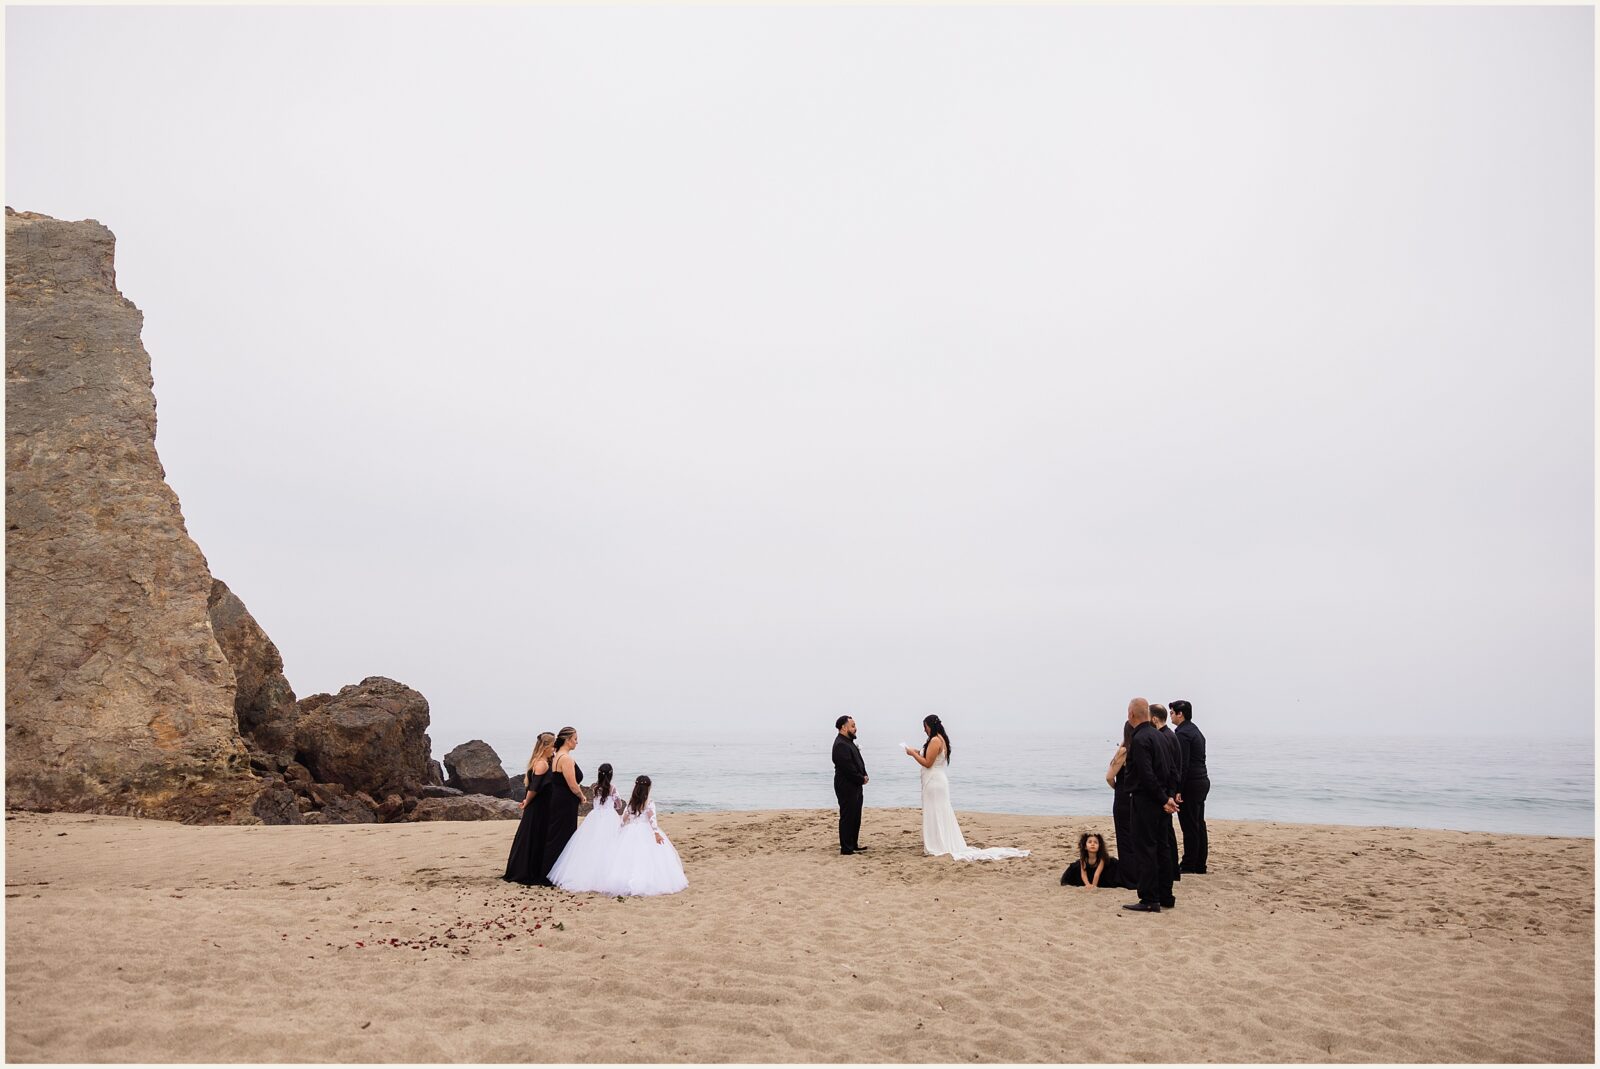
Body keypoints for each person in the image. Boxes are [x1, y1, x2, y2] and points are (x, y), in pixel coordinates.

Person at [903, 715, 1028, 861]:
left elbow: (928, 763)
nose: (924, 730)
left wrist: (912, 754)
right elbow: (931, 756)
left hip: (934, 782)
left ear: (930, 726)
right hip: (936, 780)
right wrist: (917, 751)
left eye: (925, 727)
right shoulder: (940, 739)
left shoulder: (936, 740)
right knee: (938, 812)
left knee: (936, 812)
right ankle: (940, 841)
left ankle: (938, 844)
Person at [1122, 698, 1177, 913]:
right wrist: (1169, 797)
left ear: (1131, 715)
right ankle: (1166, 895)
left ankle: (1149, 898)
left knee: (1146, 849)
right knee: (1162, 847)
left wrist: (1164, 799)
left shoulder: (1140, 739)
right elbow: (1173, 771)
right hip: (1162, 801)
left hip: (1147, 801)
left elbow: (1146, 775)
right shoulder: (1161, 736)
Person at [595, 775, 687, 896]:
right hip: (645, 831)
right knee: (647, 857)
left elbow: (624, 818)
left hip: (631, 831)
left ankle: (624, 881)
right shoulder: (649, 803)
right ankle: (644, 881)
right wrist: (656, 833)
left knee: (628, 857)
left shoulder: (632, 802)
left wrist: (620, 829)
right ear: (648, 788)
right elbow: (652, 819)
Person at [548, 763, 624, 892]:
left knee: (591, 844)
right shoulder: (612, 788)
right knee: (610, 844)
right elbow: (619, 804)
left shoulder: (595, 788)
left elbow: (595, 802)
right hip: (609, 817)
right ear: (611, 774)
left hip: (595, 817)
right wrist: (614, 807)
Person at [503, 731, 555, 885]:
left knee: (534, 835)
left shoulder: (540, 761)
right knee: (534, 835)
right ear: (546, 746)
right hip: (538, 806)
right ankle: (528, 870)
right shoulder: (542, 763)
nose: (554, 749)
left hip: (540, 805)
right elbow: (535, 788)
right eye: (553, 746)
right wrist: (527, 801)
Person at [537, 726, 587, 886]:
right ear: (567, 740)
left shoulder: (557, 755)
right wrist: (581, 795)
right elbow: (572, 784)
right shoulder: (565, 758)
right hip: (565, 801)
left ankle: (550, 872)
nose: (577, 742)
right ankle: (553, 874)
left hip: (558, 799)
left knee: (556, 835)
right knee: (563, 837)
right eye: (575, 739)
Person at [1171, 699, 1210, 874]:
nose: (1170, 716)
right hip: (1201, 780)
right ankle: (1200, 864)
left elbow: (1183, 764)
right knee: (1198, 823)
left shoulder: (1183, 734)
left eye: (1172, 712)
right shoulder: (1196, 731)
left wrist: (1178, 788)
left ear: (1181, 714)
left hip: (1191, 783)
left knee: (1189, 825)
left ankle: (1189, 864)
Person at [1151, 704, 1183, 884]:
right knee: (1167, 832)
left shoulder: (1164, 737)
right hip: (1170, 789)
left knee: (1166, 834)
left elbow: (1171, 768)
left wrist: (1170, 793)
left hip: (1167, 791)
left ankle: (1171, 871)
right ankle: (1172, 870)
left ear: (1154, 719)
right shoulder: (1169, 735)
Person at [1106, 720, 1140, 889]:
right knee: (1138, 837)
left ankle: (1129, 877)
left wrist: (1118, 787)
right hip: (1139, 797)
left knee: (1124, 837)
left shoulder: (1124, 750)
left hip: (1123, 797)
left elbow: (1109, 776)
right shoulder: (1144, 748)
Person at [832, 716, 868, 855]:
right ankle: (846, 847)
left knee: (856, 815)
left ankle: (853, 843)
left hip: (856, 784)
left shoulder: (849, 742)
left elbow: (858, 761)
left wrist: (864, 774)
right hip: (846, 785)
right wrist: (860, 778)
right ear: (843, 727)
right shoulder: (840, 744)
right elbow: (848, 768)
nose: (855, 728)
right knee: (847, 815)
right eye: (852, 725)